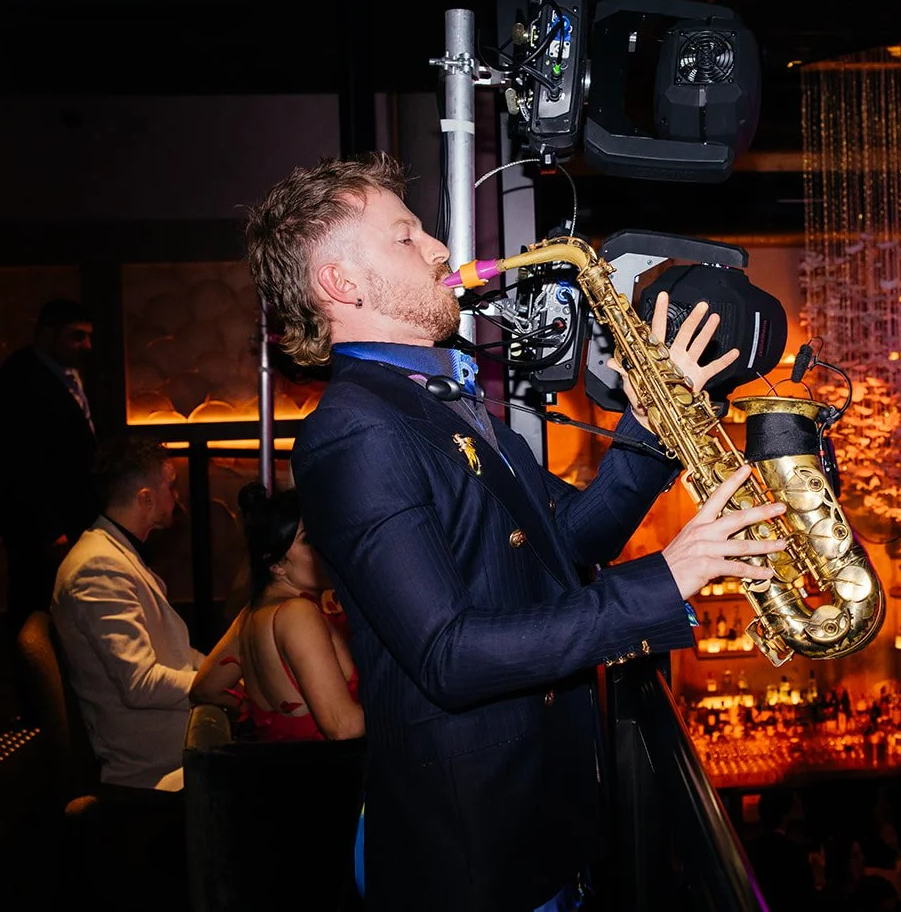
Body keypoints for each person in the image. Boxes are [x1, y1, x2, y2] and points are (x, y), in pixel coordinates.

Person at [246, 154, 787, 912]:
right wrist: (663, 580)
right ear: (342, 283)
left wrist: (660, 420)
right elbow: (448, 654)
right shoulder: (355, 430)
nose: (439, 249)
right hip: (475, 859)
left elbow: (570, 537)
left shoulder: (437, 396)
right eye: (406, 237)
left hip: (540, 825)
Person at [52, 436, 202, 792]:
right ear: (145, 499)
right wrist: (215, 686)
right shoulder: (97, 566)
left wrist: (226, 669)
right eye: (171, 486)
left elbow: (176, 654)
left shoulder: (114, 552)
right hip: (153, 765)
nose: (177, 497)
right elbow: (140, 685)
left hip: (174, 738)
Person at [191, 483, 365, 741]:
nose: (324, 547)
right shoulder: (297, 612)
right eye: (308, 540)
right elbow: (343, 727)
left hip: (282, 775)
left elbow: (205, 689)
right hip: (332, 776)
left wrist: (257, 715)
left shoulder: (249, 616)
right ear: (276, 565)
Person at [0, 299, 100, 629]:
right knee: (37, 607)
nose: (87, 346)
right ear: (48, 335)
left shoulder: (64, 374)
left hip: (63, 516)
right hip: (39, 523)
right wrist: (49, 528)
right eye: (77, 336)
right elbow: (20, 460)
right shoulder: (20, 378)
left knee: (62, 606)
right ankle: (39, 678)